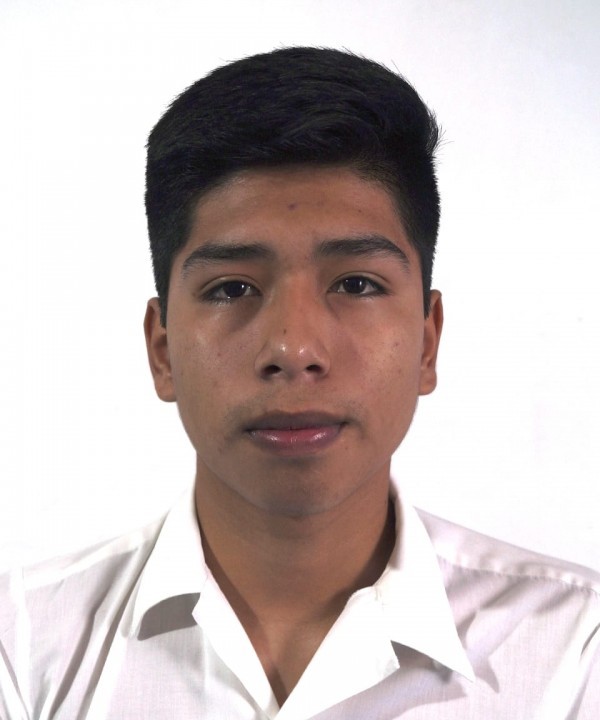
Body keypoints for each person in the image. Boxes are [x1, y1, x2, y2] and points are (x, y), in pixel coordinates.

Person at [1, 46, 598, 719]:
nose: (294, 349)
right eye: (232, 288)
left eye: (356, 284)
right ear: (162, 350)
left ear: (427, 342)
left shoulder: (575, 652)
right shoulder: (22, 648)